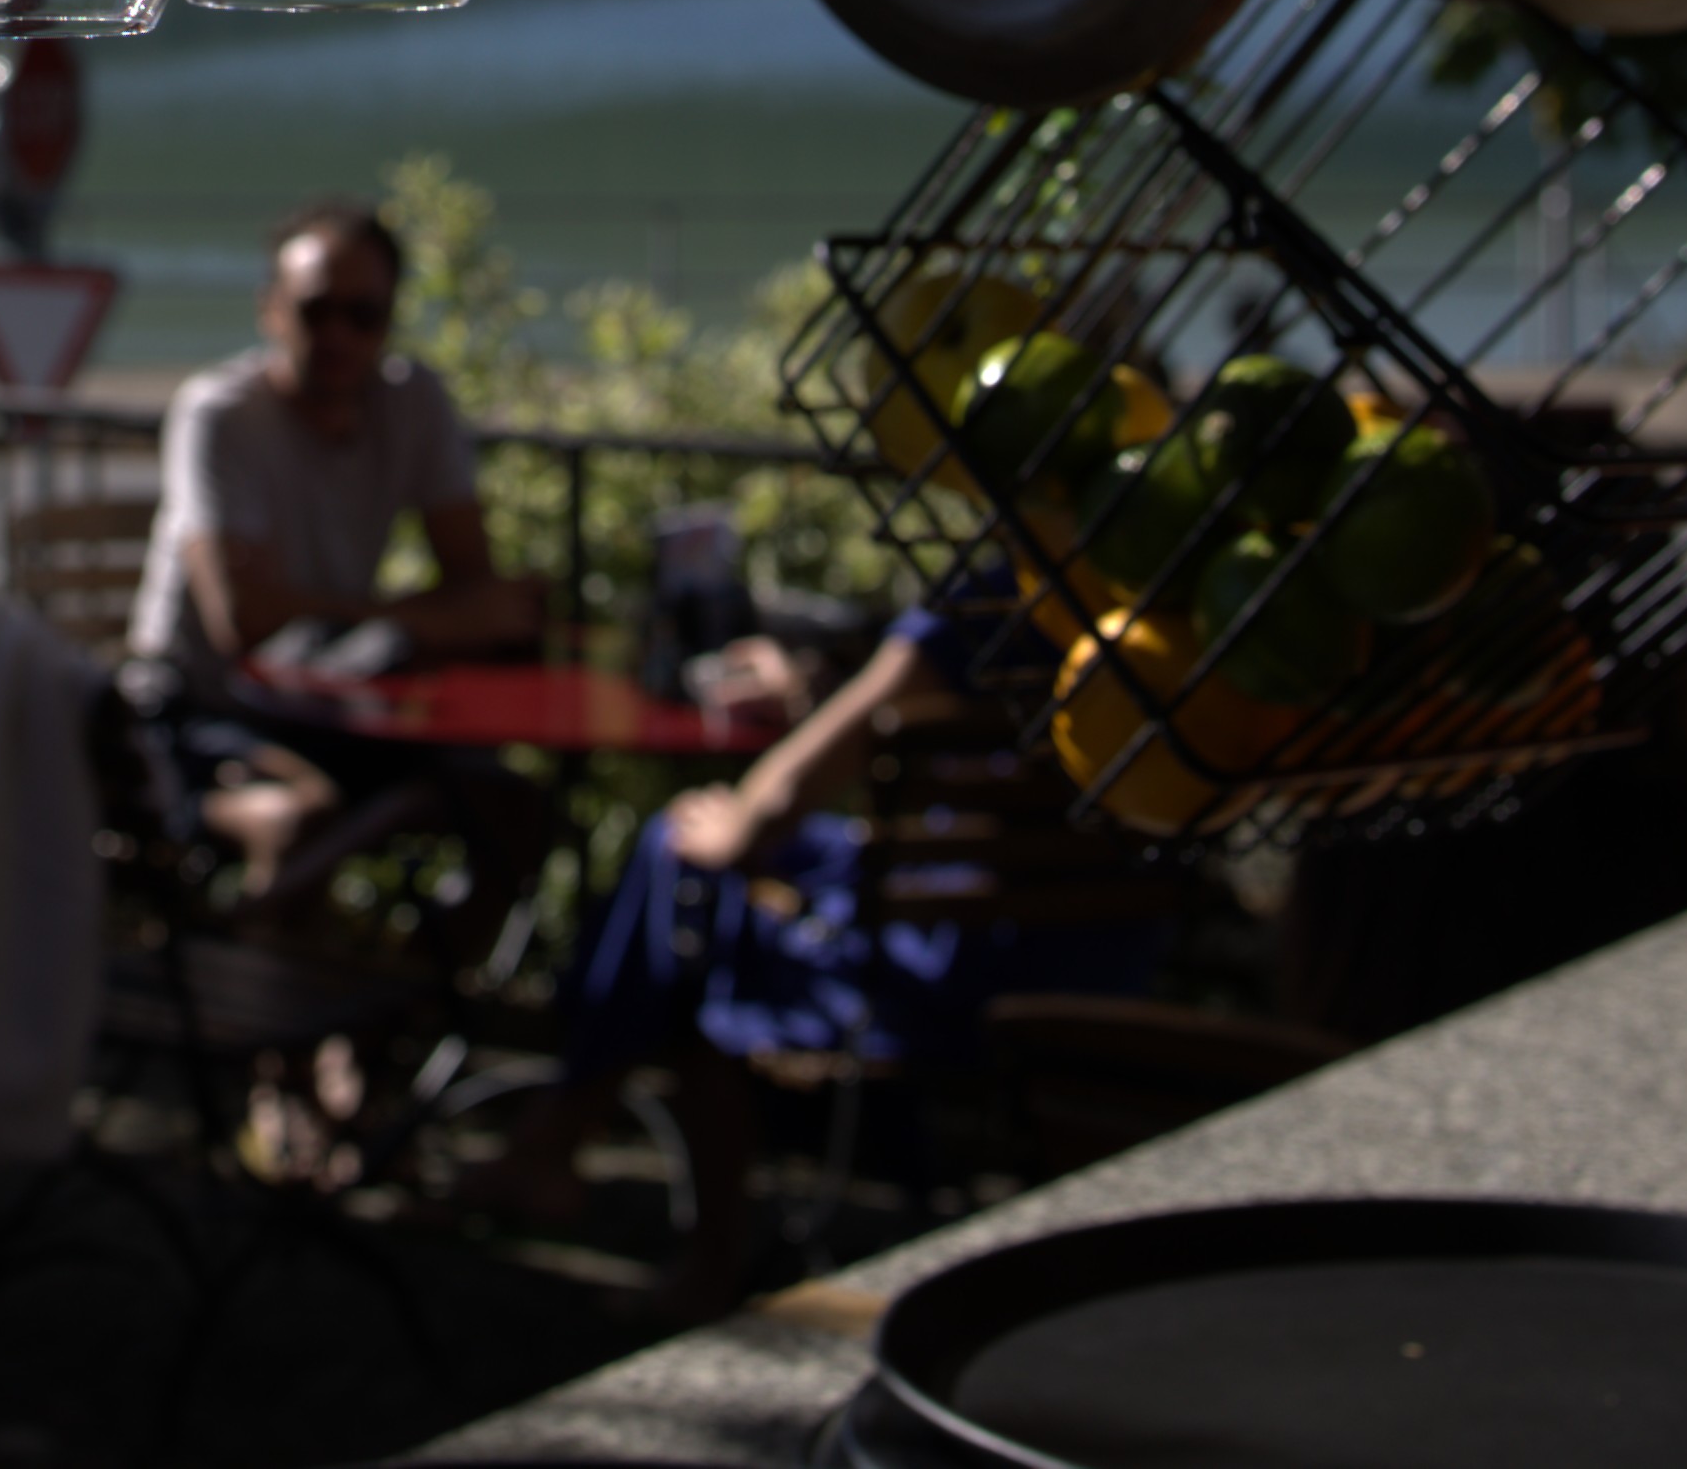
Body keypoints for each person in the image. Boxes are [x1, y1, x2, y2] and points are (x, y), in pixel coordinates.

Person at [460, 580, 1162, 1324]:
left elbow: (768, 810)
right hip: (1097, 973)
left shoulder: (987, 609)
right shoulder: (1162, 623)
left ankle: (625, 1187)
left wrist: (755, 792)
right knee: (692, 874)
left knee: (685, 871)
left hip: (933, 979)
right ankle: (560, 1132)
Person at [123, 201, 552, 939]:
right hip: (197, 713)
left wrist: (438, 618)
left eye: (364, 316)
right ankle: (281, 1035)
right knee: (304, 820)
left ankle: (394, 1011)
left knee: (516, 810)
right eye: (316, 311)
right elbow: (245, 624)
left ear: (390, 321)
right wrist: (423, 619)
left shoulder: (411, 401)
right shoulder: (219, 414)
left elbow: (478, 588)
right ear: (271, 311)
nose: (338, 337)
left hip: (331, 706)